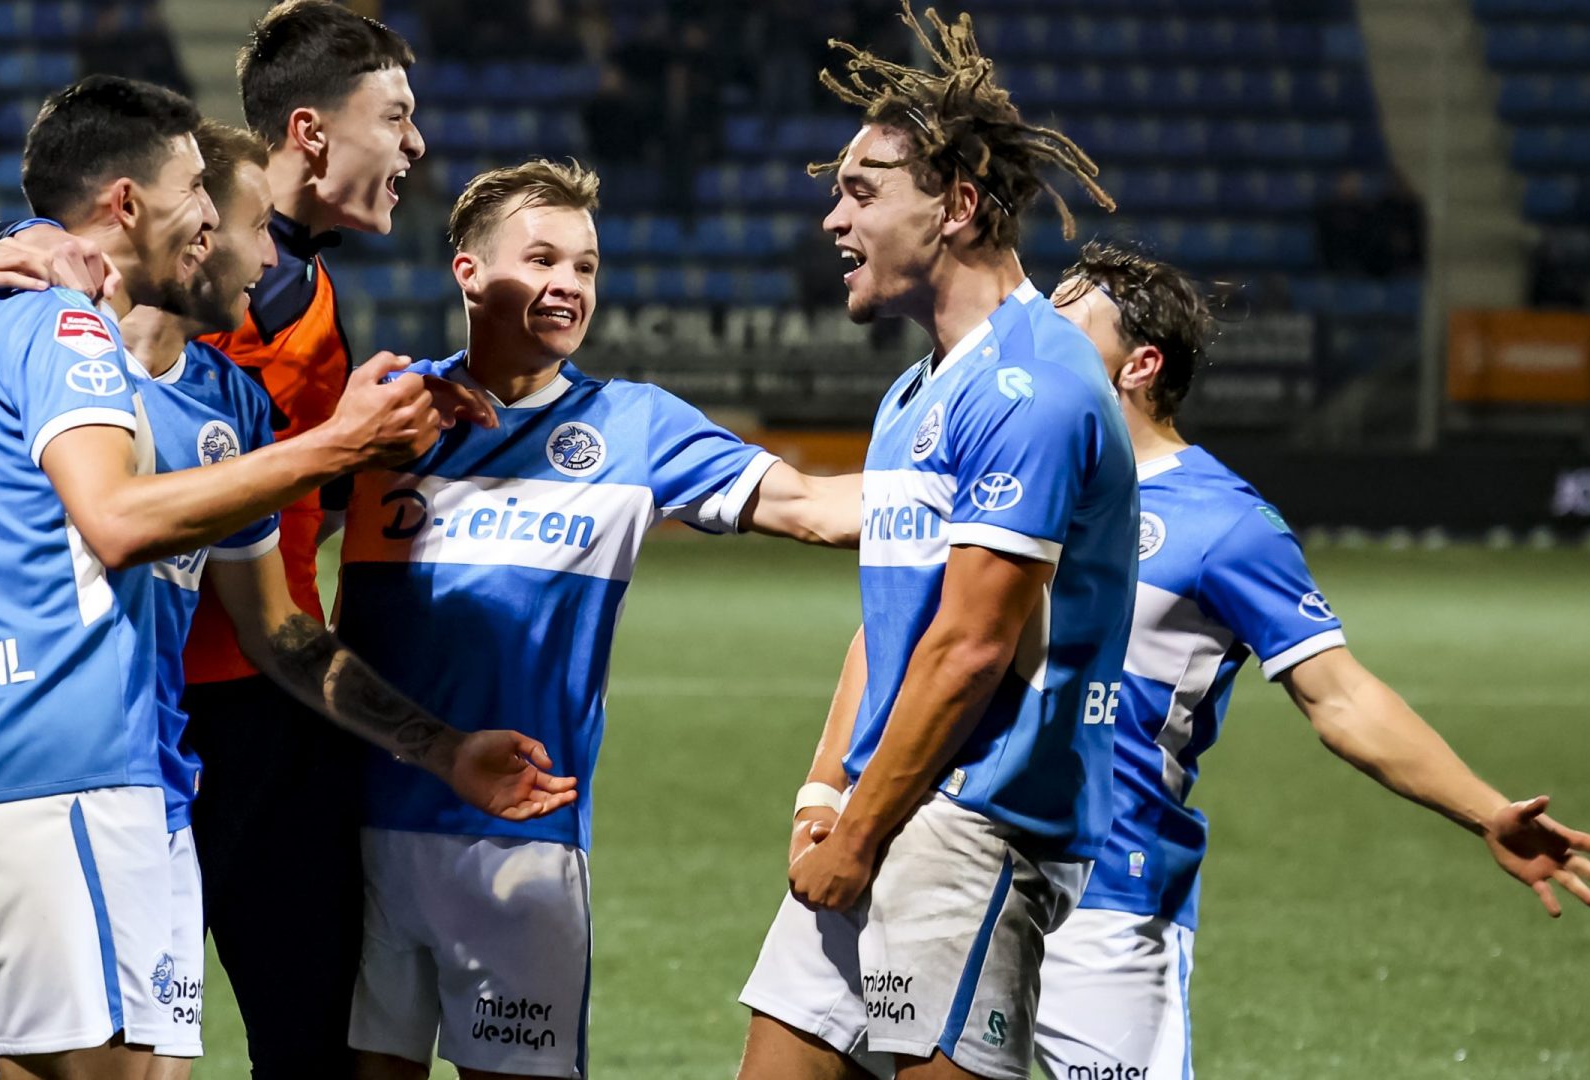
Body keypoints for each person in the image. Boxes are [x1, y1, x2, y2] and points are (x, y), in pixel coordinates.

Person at [0, 113, 570, 1080]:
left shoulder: (228, 406)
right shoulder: (34, 331)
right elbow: (106, 522)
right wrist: (336, 445)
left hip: (122, 782)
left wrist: (438, 747)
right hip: (62, 774)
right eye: (250, 224)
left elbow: (280, 632)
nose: (264, 255)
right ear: (190, 225)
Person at [1033, 242, 1590, 1080]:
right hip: (974, 865)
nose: (1039, 331)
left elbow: (1339, 698)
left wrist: (1486, 810)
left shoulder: (1222, 524)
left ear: (1140, 364)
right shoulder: (1027, 478)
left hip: (1108, 899)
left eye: (1066, 316)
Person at [338, 158, 863, 1080]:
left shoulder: (636, 426)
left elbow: (816, 510)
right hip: (356, 830)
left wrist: (994, 492)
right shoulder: (386, 411)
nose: (567, 286)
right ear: (468, 271)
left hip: (524, 841)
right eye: (542, 259)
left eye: (584, 266)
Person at [733, 5, 1132, 1078]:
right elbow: (891, 620)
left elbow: (968, 648)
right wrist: (829, 796)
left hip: (973, 823)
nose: (833, 219)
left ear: (956, 208)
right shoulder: (916, 392)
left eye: (861, 190)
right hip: (881, 802)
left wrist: (861, 832)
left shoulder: (1036, 383)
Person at [178, 7, 444, 1073]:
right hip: (168, 716)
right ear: (312, 132)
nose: (416, 144)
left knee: (326, 1044)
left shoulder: (314, 296)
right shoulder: (173, 279)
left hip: (283, 706)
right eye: (397, 116)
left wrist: (392, 438)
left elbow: (299, 510)